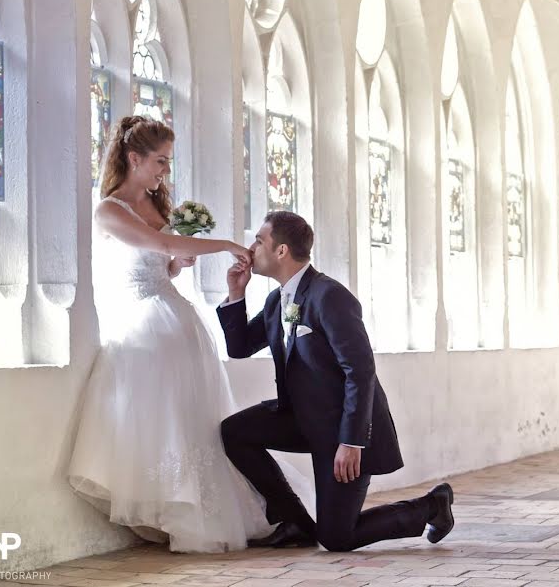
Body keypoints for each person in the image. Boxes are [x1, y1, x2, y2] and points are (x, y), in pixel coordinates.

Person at [68, 116, 311, 553]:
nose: (164, 170)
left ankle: (223, 509)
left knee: (197, 423)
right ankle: (173, 511)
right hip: (143, 326)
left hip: (180, 322)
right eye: (159, 161)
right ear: (133, 157)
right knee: (162, 425)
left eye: (168, 161)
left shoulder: (159, 207)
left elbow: (168, 261)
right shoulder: (108, 210)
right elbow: (161, 247)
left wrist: (181, 263)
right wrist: (221, 246)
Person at [218, 211, 455, 551]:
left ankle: (432, 506)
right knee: (235, 431)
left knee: (336, 538)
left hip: (343, 429)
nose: (251, 248)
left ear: (281, 250)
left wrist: (352, 441)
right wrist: (235, 293)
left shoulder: (329, 296)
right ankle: (296, 521)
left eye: (259, 240)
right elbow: (239, 347)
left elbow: (360, 371)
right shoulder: (276, 301)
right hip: (303, 418)